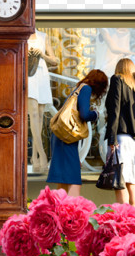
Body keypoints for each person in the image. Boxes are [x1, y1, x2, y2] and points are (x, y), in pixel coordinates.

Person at [46, 69, 109, 197]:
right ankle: (73, 213)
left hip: (61, 135)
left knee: (63, 179)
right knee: (73, 178)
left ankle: (58, 212)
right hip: (67, 138)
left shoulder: (78, 88)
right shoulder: (86, 89)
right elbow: (84, 114)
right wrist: (95, 114)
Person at [104, 58, 135, 206]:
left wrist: (111, 139)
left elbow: (115, 111)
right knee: (131, 181)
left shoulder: (117, 79)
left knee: (119, 180)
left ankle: (124, 221)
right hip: (134, 141)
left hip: (120, 137)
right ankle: (134, 220)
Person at [27, 31, 59, 173]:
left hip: (41, 74)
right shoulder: (21, 35)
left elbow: (55, 61)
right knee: (33, 113)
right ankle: (43, 155)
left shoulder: (42, 36)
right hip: (27, 74)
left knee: (39, 115)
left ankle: (34, 156)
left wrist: (42, 54)